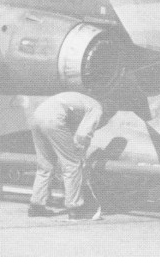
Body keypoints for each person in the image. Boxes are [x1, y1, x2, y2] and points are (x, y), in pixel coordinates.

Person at [27, 91, 113, 220]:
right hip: (54, 119)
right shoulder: (97, 108)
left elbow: (70, 132)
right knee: (72, 165)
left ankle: (36, 206)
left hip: (37, 116)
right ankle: (76, 208)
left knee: (45, 165)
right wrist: (80, 155)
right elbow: (82, 136)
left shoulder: (82, 101)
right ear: (108, 111)